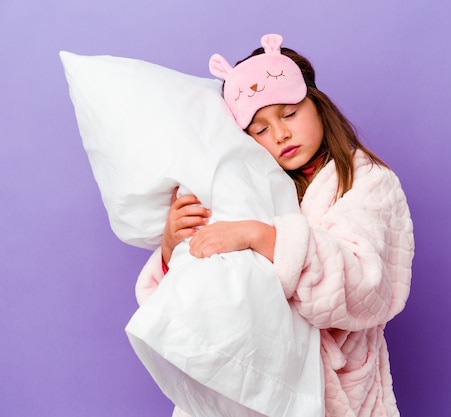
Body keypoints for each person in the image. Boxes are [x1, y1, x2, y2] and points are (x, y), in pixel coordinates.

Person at [137, 34, 414, 417]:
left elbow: (364, 288)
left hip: (332, 391)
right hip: (245, 379)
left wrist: (260, 236)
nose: (280, 134)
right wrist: (172, 247)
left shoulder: (367, 181)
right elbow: (198, 299)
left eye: (289, 114)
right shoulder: (243, 185)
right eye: (260, 129)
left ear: (317, 106)